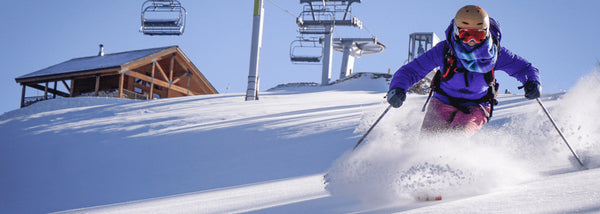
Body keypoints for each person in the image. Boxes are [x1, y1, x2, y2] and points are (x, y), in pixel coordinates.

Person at [387, 5, 541, 136]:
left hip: (477, 105)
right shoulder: (445, 50)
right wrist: (398, 87)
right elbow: (412, 70)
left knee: (456, 137)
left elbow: (524, 68)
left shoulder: (496, 54)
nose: (472, 42)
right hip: (442, 100)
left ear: (486, 33)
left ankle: (452, 167)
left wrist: (532, 82)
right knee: (429, 141)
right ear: (457, 32)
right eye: (466, 35)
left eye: (478, 35)